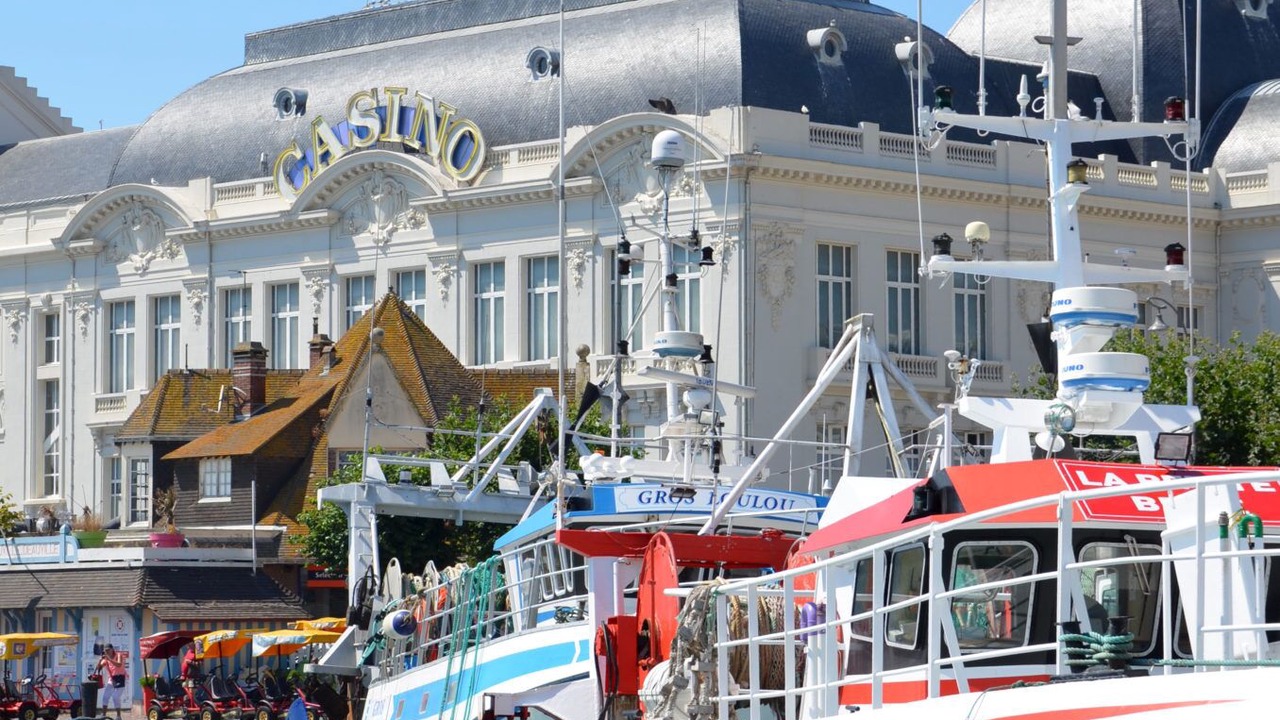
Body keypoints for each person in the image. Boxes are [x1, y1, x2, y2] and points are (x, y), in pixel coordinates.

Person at [95, 644, 126, 720]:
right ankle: (103, 715)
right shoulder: (106, 658)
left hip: (120, 678)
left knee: (115, 697)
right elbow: (98, 668)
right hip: (112, 679)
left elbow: (119, 664)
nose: (107, 651)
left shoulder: (119, 655)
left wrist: (109, 659)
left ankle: (118, 716)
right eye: (105, 650)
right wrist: (100, 660)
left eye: (108, 650)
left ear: (112, 649)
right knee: (105, 697)